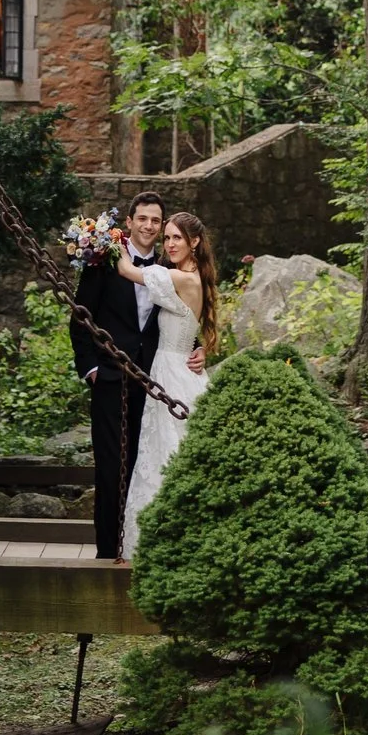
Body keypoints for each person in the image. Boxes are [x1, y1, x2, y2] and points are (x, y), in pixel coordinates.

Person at [115, 211, 219, 559]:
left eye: (178, 238)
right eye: (168, 237)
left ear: (195, 243)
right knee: (160, 451)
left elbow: (127, 271)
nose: (170, 244)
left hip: (174, 373)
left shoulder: (183, 278)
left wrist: (108, 239)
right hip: (172, 366)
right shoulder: (187, 276)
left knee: (171, 451)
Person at [73, 192, 167, 559]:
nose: (148, 226)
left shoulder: (164, 268)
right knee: (112, 467)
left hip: (153, 382)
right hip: (110, 380)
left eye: (155, 221)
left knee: (146, 463)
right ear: (128, 221)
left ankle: (139, 548)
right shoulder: (103, 261)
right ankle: (107, 550)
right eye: (142, 218)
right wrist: (91, 369)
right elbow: (81, 317)